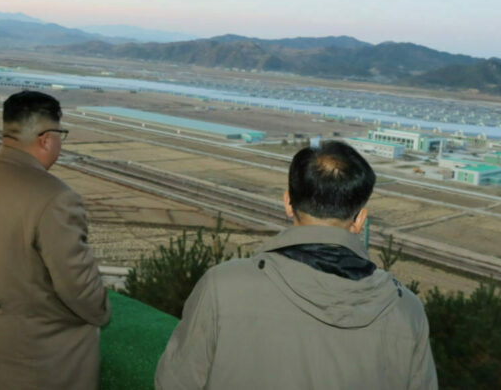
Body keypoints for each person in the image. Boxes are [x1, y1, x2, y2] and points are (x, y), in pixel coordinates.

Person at [156, 141, 438, 390]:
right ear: (360, 220)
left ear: (288, 203)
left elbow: (174, 382)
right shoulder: (406, 311)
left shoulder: (223, 287)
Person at [0, 90, 110, 390]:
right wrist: (101, 310)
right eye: (61, 134)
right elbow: (80, 287)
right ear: (46, 138)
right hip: (37, 359)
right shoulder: (55, 198)